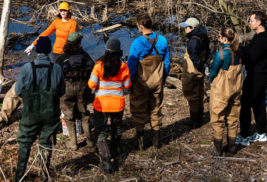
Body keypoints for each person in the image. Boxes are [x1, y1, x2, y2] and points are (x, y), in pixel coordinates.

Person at [14, 36, 65, 182]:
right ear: (49, 50)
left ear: (37, 51)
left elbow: (18, 91)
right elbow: (62, 92)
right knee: (46, 143)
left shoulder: (27, 68)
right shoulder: (57, 68)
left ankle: (19, 179)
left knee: (25, 143)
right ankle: (44, 178)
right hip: (50, 114)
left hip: (30, 113)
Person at [128, 11, 171, 150]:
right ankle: (156, 141)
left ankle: (140, 143)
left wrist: (130, 82)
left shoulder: (137, 42)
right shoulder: (163, 40)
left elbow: (132, 65)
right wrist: (162, 79)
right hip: (157, 81)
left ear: (140, 26)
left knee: (139, 110)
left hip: (141, 83)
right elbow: (167, 63)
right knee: (156, 109)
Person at [88, 38, 131, 173]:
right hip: (118, 104)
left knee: (100, 131)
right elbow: (127, 85)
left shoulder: (99, 65)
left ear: (106, 50)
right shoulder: (123, 66)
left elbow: (91, 84)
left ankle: (106, 160)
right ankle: (114, 151)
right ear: (119, 52)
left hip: (101, 104)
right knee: (116, 128)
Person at [237, 11, 267, 146]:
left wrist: (240, 56)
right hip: (258, 75)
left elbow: (251, 57)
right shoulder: (258, 36)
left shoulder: (262, 40)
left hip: (257, 76)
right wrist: (238, 47)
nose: (249, 23)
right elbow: (249, 51)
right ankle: (261, 133)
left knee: (245, 104)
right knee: (258, 104)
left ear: (259, 22)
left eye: (251, 20)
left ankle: (245, 135)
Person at [56, 31, 96, 150]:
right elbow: (92, 70)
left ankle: (73, 143)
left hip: (67, 89)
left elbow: (57, 75)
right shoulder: (85, 56)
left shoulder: (62, 58)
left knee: (69, 116)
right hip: (82, 88)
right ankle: (90, 141)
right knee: (84, 114)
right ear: (79, 43)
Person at [208, 27, 243, 155]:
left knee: (217, 116)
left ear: (224, 38)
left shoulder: (221, 53)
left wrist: (211, 81)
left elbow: (213, 71)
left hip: (222, 87)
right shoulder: (239, 51)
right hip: (236, 85)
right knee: (233, 115)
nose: (218, 38)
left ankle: (218, 149)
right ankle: (232, 147)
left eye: (219, 36)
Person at [179, 16, 210, 128]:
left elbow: (193, 56)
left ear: (192, 28)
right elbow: (207, 53)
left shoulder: (193, 40)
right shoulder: (204, 37)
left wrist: (198, 67)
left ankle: (194, 121)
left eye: (186, 27)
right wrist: (203, 66)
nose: (184, 29)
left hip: (192, 71)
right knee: (200, 92)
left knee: (191, 94)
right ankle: (200, 118)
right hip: (200, 69)